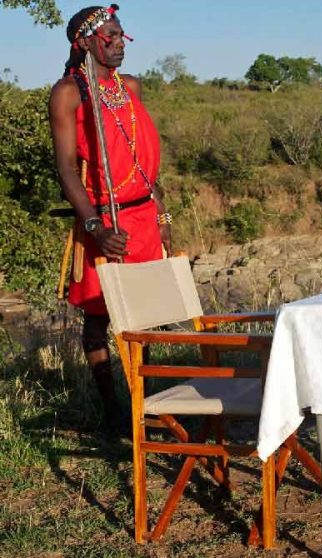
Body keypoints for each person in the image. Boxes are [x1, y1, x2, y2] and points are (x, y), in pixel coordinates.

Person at [48, 4, 171, 430]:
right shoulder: (69, 92)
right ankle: (112, 409)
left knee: (147, 315)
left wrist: (162, 213)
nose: (120, 44)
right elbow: (66, 169)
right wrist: (96, 229)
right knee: (99, 316)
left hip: (142, 216)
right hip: (104, 220)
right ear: (84, 43)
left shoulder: (131, 87)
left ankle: (146, 401)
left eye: (122, 37)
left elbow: (143, 162)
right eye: (110, 38)